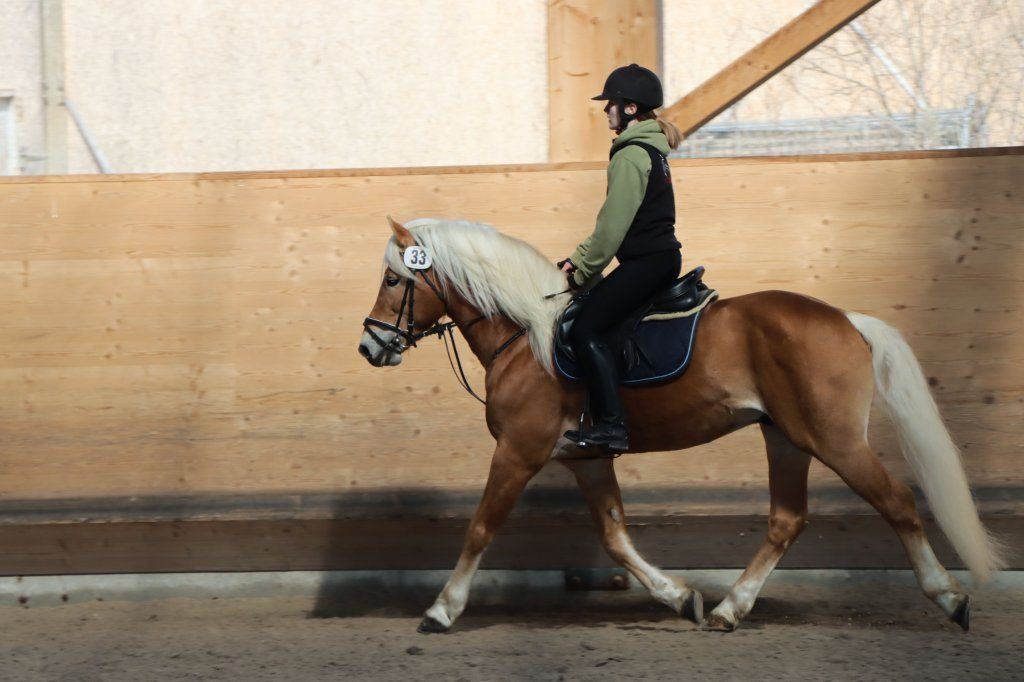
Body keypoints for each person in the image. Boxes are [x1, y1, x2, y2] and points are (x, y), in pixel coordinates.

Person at [558, 63, 684, 453]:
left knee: (584, 329)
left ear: (630, 108)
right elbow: (613, 227)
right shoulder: (652, 150)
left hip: (647, 263)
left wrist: (579, 272)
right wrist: (579, 261)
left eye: (610, 103)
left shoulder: (629, 155)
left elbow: (611, 230)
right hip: (658, 259)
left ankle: (612, 426)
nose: (605, 110)